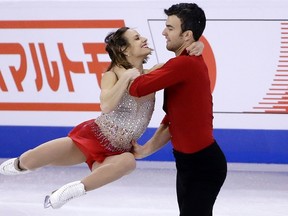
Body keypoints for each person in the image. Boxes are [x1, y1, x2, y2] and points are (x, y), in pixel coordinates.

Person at [0, 26, 204, 209]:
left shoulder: (156, 71)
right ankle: (19, 165)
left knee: (129, 163)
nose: (143, 39)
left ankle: (70, 191)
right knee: (30, 160)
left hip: (119, 150)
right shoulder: (112, 74)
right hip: (92, 138)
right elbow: (106, 105)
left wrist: (198, 45)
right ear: (124, 49)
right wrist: (125, 77)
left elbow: (182, 63)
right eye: (136, 38)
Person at [129, 3, 227, 216]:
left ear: (187, 35)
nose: (164, 32)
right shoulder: (185, 63)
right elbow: (172, 120)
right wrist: (145, 149)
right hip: (189, 164)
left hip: (203, 165)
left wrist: (128, 61)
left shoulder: (184, 65)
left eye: (170, 28)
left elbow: (137, 88)